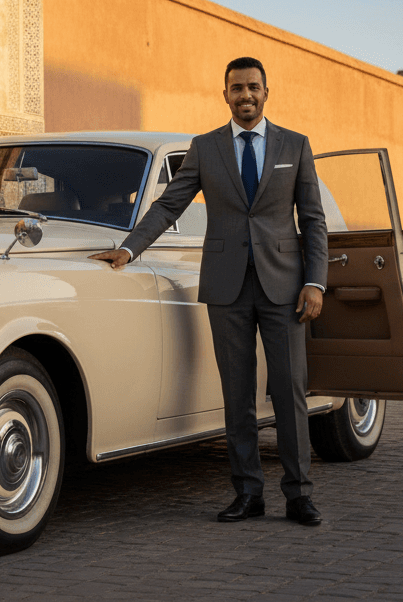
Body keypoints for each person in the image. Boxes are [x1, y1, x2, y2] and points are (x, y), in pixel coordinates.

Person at [89, 56, 327, 525]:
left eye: (253, 87)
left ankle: (299, 495)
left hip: (285, 287)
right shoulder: (205, 148)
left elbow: (313, 219)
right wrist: (130, 249)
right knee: (236, 393)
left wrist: (315, 281)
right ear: (225, 95)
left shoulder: (295, 146)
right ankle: (248, 494)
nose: (246, 95)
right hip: (226, 287)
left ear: (266, 91)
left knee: (289, 391)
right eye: (236, 88)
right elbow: (169, 204)